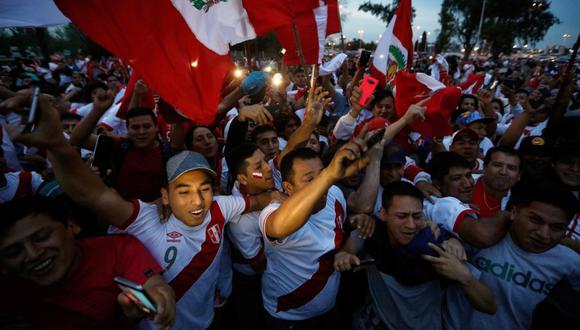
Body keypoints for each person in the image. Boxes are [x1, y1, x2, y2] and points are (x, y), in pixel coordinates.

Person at [12, 94, 280, 329]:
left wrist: (278, 195)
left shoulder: (220, 206)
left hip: (211, 318)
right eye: (184, 191)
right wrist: (57, 145)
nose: (198, 201)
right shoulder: (146, 220)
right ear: (165, 194)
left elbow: (260, 200)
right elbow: (93, 193)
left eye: (205, 189)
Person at [334, 181, 496, 330]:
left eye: (417, 216)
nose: (411, 225)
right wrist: (343, 257)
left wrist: (464, 277)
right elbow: (347, 251)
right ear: (383, 214)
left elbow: (489, 305)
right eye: (402, 216)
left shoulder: (436, 247)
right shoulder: (371, 232)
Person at [0, 196, 175, 329]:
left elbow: (153, 286)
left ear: (72, 226)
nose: (32, 255)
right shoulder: (8, 296)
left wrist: (157, 299)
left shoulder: (116, 250)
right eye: (14, 252)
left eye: (41, 237)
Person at [443, 180, 580, 330]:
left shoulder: (570, 262)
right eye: (535, 220)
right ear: (514, 213)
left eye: (557, 227)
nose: (544, 234)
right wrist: (449, 239)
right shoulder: (479, 239)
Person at [224, 143, 277, 330]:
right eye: (258, 167)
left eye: (265, 161)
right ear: (242, 179)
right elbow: (259, 265)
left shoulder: (262, 181)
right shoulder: (241, 222)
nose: (268, 168)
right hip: (253, 280)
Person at [424, 152, 511, 248]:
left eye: (469, 175)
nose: (467, 184)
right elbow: (485, 235)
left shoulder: (440, 201)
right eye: (456, 178)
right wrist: (506, 215)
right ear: (438, 183)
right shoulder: (444, 204)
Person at [471, 146, 521, 217]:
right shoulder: (462, 184)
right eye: (497, 165)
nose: (503, 172)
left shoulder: (522, 203)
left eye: (511, 168)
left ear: (519, 175)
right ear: (484, 167)